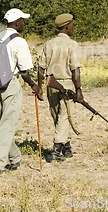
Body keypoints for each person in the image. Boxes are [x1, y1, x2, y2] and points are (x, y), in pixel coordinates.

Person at [0, 8, 40, 176]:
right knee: (6, 126)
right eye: (22, 20)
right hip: (10, 85)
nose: (24, 23)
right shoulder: (19, 41)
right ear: (16, 23)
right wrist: (34, 85)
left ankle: (15, 158)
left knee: (2, 126)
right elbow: (24, 71)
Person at [37, 13, 83, 162]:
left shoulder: (48, 44)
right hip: (66, 83)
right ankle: (56, 150)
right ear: (67, 26)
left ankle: (66, 147)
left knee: (57, 116)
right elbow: (75, 69)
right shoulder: (72, 44)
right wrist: (78, 90)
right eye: (72, 26)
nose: (73, 28)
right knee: (64, 117)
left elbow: (40, 68)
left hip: (51, 83)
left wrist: (39, 87)